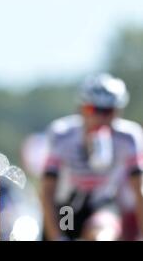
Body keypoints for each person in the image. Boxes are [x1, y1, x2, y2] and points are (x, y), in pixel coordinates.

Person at [40, 73, 143, 241]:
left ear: (117, 112)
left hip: (102, 203)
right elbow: (47, 191)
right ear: (81, 109)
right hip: (68, 207)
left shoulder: (129, 138)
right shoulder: (62, 135)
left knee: (103, 236)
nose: (99, 117)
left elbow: (139, 191)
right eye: (92, 109)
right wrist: (56, 236)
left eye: (107, 111)